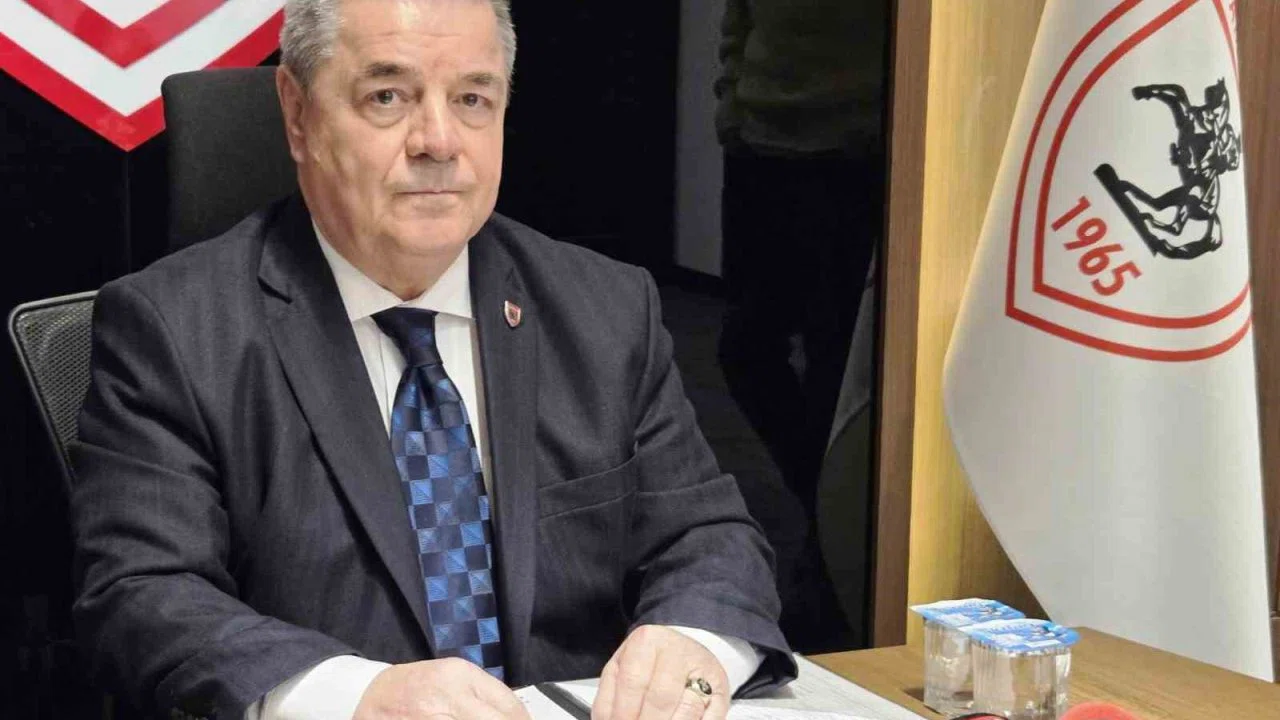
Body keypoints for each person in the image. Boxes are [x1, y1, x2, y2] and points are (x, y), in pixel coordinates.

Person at [68, 1, 795, 718]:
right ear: (297, 114)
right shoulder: (175, 329)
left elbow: (707, 537)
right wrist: (354, 697)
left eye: (473, 99)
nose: (439, 142)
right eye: (388, 97)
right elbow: (143, 591)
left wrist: (693, 641)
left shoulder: (605, 308)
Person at [714, 0, 886, 652]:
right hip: (760, 147)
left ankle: (830, 559)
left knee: (834, 367)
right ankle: (827, 511)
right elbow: (738, 21)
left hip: (849, 155)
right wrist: (731, 108)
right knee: (744, 348)